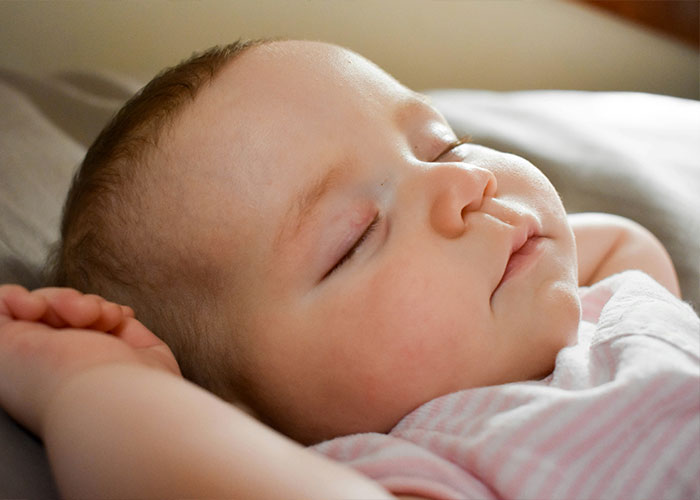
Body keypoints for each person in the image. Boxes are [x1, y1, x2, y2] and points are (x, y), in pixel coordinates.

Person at [0, 38, 697, 499]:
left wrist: (518, 239)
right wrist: (90, 384)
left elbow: (619, 247)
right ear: (247, 421)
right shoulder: (426, 466)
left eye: (445, 146)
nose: (465, 187)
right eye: (355, 237)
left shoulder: (601, 307)